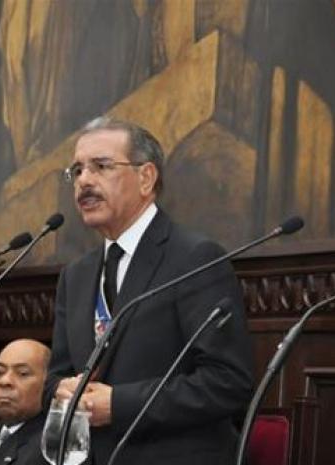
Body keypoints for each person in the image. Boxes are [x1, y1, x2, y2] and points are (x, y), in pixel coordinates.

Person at [45, 117, 254, 464]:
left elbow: (228, 381)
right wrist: (60, 390)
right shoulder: (76, 276)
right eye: (77, 170)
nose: (84, 181)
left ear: (146, 178)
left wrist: (119, 404)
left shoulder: (194, 258)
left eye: (101, 166)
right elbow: (56, 374)